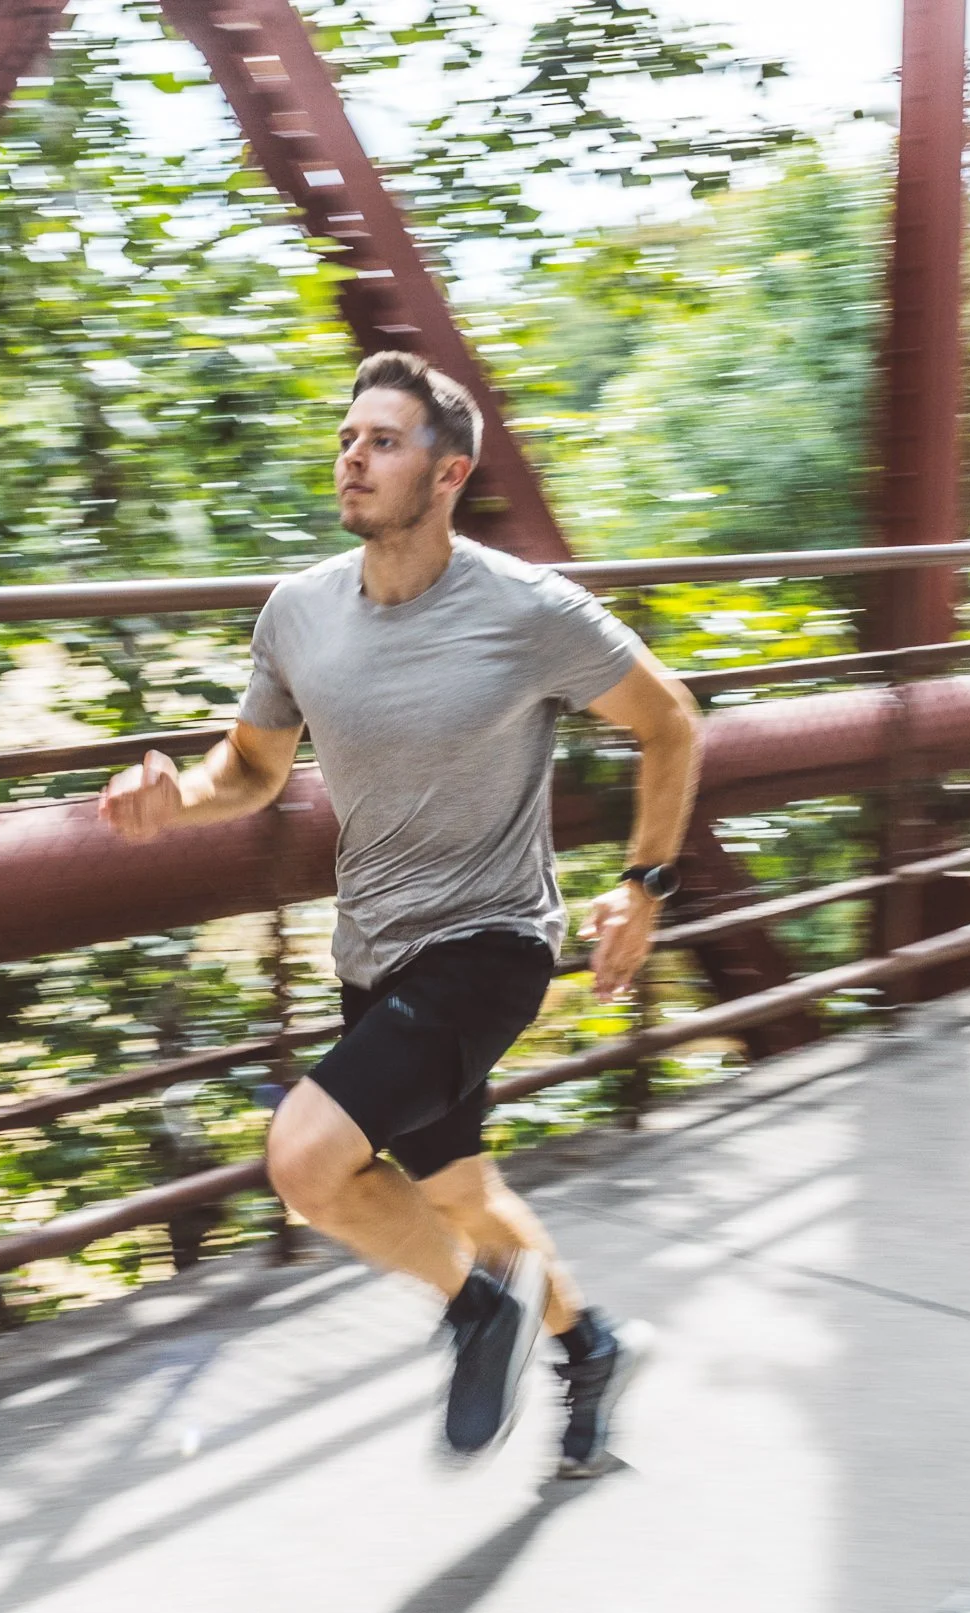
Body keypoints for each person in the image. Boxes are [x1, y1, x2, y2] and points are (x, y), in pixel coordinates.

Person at [96, 351, 701, 1477]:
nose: (353, 458)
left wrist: (645, 883)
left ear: (448, 472)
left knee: (306, 1158)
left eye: (383, 440)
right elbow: (251, 768)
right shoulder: (300, 612)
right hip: (374, 950)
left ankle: (478, 1313)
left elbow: (670, 720)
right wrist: (174, 798)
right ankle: (590, 1345)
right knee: (457, 1191)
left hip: (492, 942)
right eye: (346, 438)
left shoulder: (528, 612)